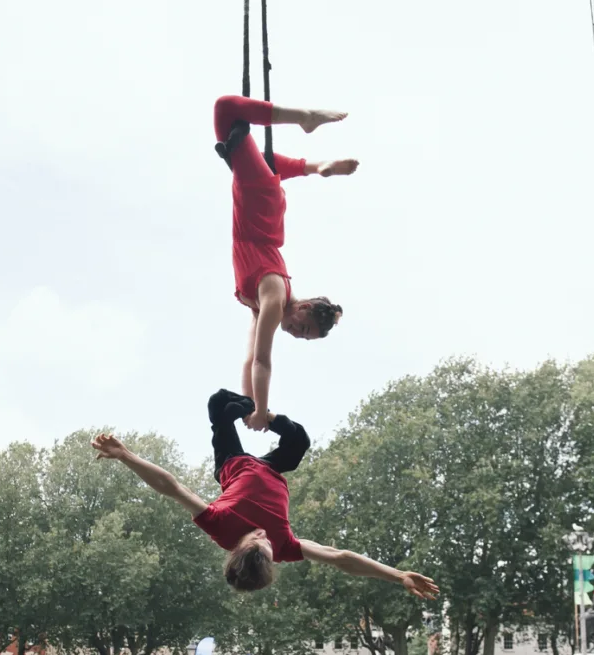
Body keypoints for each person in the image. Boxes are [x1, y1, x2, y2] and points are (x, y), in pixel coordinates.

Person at [91, 400, 438, 599]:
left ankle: (246, 407)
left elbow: (172, 487)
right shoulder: (284, 546)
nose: (263, 535)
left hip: (233, 464)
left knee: (220, 406)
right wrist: (397, 576)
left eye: (256, 540)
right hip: (272, 469)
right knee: (300, 440)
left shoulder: (219, 526)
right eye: (267, 544)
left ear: (238, 548)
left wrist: (126, 456)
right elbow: (340, 557)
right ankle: (265, 415)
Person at [211, 94, 354, 428]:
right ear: (302, 307)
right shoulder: (274, 296)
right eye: (302, 328)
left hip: (259, 204)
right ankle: (306, 117)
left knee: (260, 158)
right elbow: (263, 360)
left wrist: (249, 408)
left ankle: (316, 166)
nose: (294, 333)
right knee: (225, 110)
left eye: (301, 337)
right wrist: (262, 408)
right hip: (259, 206)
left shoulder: (262, 307)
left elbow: (248, 359)